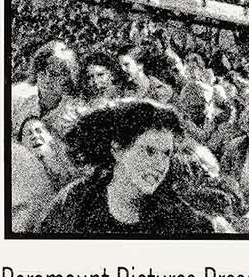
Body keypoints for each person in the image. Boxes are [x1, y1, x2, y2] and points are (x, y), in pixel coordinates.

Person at [39, 100, 215, 236]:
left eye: (166, 154)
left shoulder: (182, 219)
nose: (160, 165)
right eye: (149, 151)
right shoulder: (77, 199)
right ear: (117, 150)